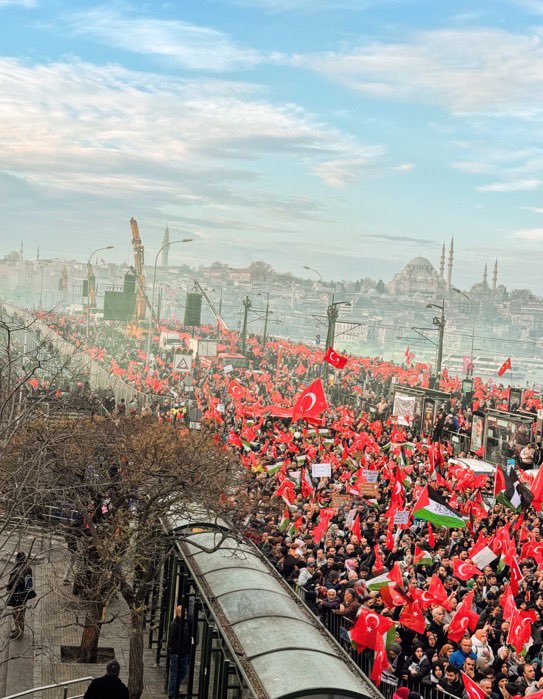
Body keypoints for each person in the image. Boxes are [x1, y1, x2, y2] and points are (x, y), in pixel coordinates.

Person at [6, 552, 36, 640]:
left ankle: (18, 632)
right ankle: (18, 629)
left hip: (17, 595)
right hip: (22, 595)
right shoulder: (28, 568)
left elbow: (10, 584)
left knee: (17, 613)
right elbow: (29, 585)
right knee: (19, 613)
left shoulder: (18, 569)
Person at [168, 605, 192, 699]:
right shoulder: (175, 625)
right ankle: (172, 693)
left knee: (183, 671)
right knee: (174, 674)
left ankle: (175, 690)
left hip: (183, 653)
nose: (185, 614)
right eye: (183, 613)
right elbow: (172, 641)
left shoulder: (184, 623)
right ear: (178, 613)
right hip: (177, 654)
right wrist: (176, 652)